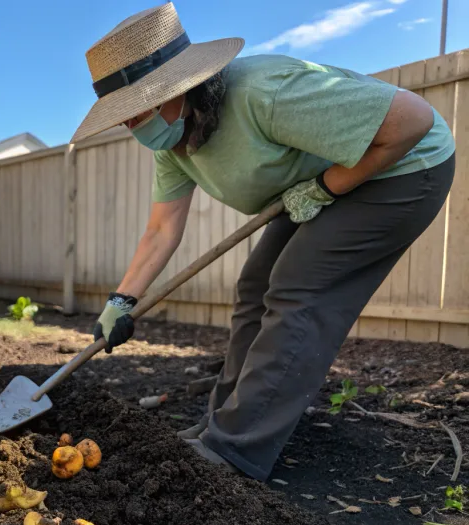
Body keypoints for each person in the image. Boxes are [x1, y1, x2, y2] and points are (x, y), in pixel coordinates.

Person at [70, 3, 455, 481]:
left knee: (298, 289)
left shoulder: (263, 92)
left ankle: (235, 449)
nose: (130, 126)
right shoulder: (176, 142)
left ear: (179, 88)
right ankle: (222, 423)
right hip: (323, 181)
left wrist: (325, 188)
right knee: (255, 287)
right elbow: (161, 229)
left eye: (135, 110)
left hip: (403, 168)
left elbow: (413, 120)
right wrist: (120, 301)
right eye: (121, 116)